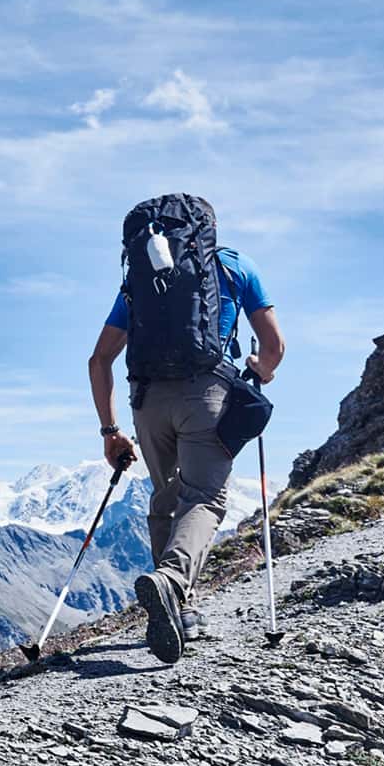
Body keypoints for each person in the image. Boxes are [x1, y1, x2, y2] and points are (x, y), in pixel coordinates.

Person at [87, 195, 284, 665]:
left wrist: (110, 430)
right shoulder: (235, 266)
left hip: (147, 399)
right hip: (208, 393)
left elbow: (99, 360)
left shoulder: (139, 279)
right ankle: (173, 584)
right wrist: (260, 368)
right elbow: (274, 345)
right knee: (204, 498)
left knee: (166, 496)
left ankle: (181, 610)